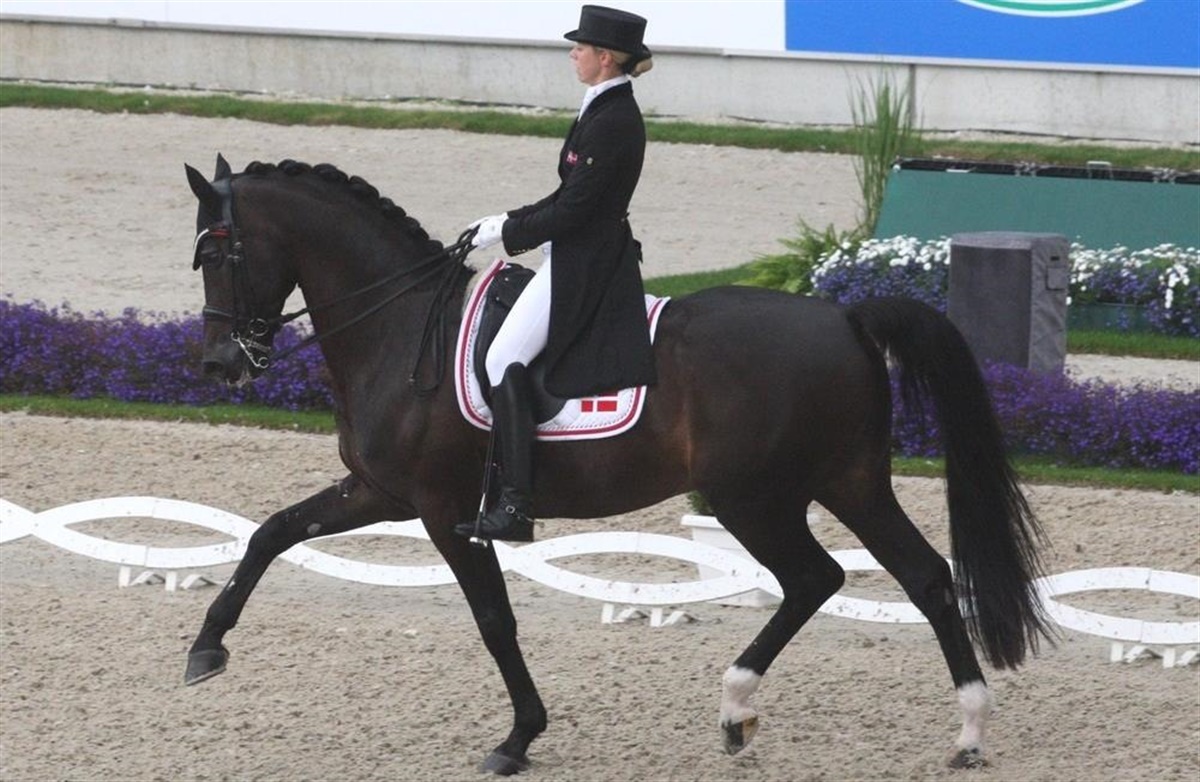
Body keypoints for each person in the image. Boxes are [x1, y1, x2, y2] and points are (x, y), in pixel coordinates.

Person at [455, 5, 659, 543]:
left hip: (586, 262)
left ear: (605, 57)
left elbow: (574, 212)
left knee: (502, 358)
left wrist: (509, 233)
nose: (573, 54)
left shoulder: (614, 120)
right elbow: (567, 193)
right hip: (575, 250)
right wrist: (505, 220)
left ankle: (516, 504)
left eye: (581, 48)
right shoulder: (600, 107)